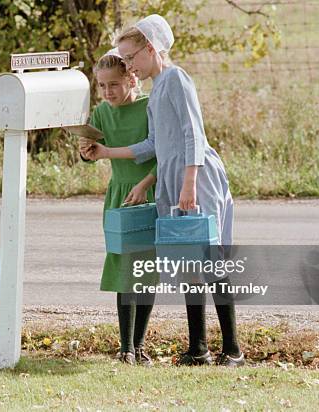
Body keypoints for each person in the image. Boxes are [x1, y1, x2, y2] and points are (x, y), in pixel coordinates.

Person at [82, 15, 244, 367]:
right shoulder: (157, 90)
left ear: (151, 49)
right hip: (172, 180)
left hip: (196, 179)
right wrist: (128, 169)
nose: (129, 66)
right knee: (188, 264)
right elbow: (154, 145)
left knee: (211, 260)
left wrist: (189, 184)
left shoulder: (176, 79)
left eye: (131, 59)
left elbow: (192, 134)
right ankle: (198, 348)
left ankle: (232, 349)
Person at [79, 49, 157, 366]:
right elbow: (91, 153)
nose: (108, 92)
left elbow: (164, 153)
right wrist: (86, 152)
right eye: (101, 86)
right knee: (125, 269)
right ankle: (125, 348)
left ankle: (139, 345)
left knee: (147, 272)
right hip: (120, 195)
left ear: (131, 77)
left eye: (113, 84)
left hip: (149, 192)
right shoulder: (101, 114)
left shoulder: (150, 107)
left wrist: (147, 183)